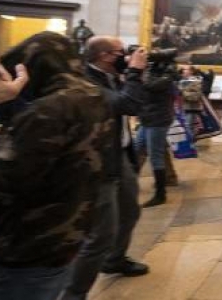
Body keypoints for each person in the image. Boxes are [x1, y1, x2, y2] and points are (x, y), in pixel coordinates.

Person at [0, 33, 112, 300]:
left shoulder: (47, 108)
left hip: (25, 243)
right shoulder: (92, 96)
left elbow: (4, 178)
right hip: (65, 235)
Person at [63, 36, 149, 300]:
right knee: (100, 234)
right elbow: (128, 105)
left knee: (130, 212)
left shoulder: (111, 75)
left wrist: (131, 75)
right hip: (98, 161)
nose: (126, 56)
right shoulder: (87, 81)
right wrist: (134, 71)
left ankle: (115, 258)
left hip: (119, 153)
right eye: (121, 52)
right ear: (104, 56)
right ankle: (73, 294)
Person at [135, 61, 177, 208]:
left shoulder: (164, 77)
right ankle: (129, 184)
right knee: (136, 148)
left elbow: (150, 85)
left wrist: (141, 70)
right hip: (147, 119)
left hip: (158, 120)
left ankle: (161, 194)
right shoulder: (154, 74)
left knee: (155, 156)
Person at [179, 66, 203, 136]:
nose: (183, 71)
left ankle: (190, 143)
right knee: (189, 126)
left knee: (188, 126)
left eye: (186, 69)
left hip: (192, 108)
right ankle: (191, 142)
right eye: (183, 69)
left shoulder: (195, 81)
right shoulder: (184, 81)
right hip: (185, 107)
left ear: (191, 71)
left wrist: (183, 92)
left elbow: (196, 96)